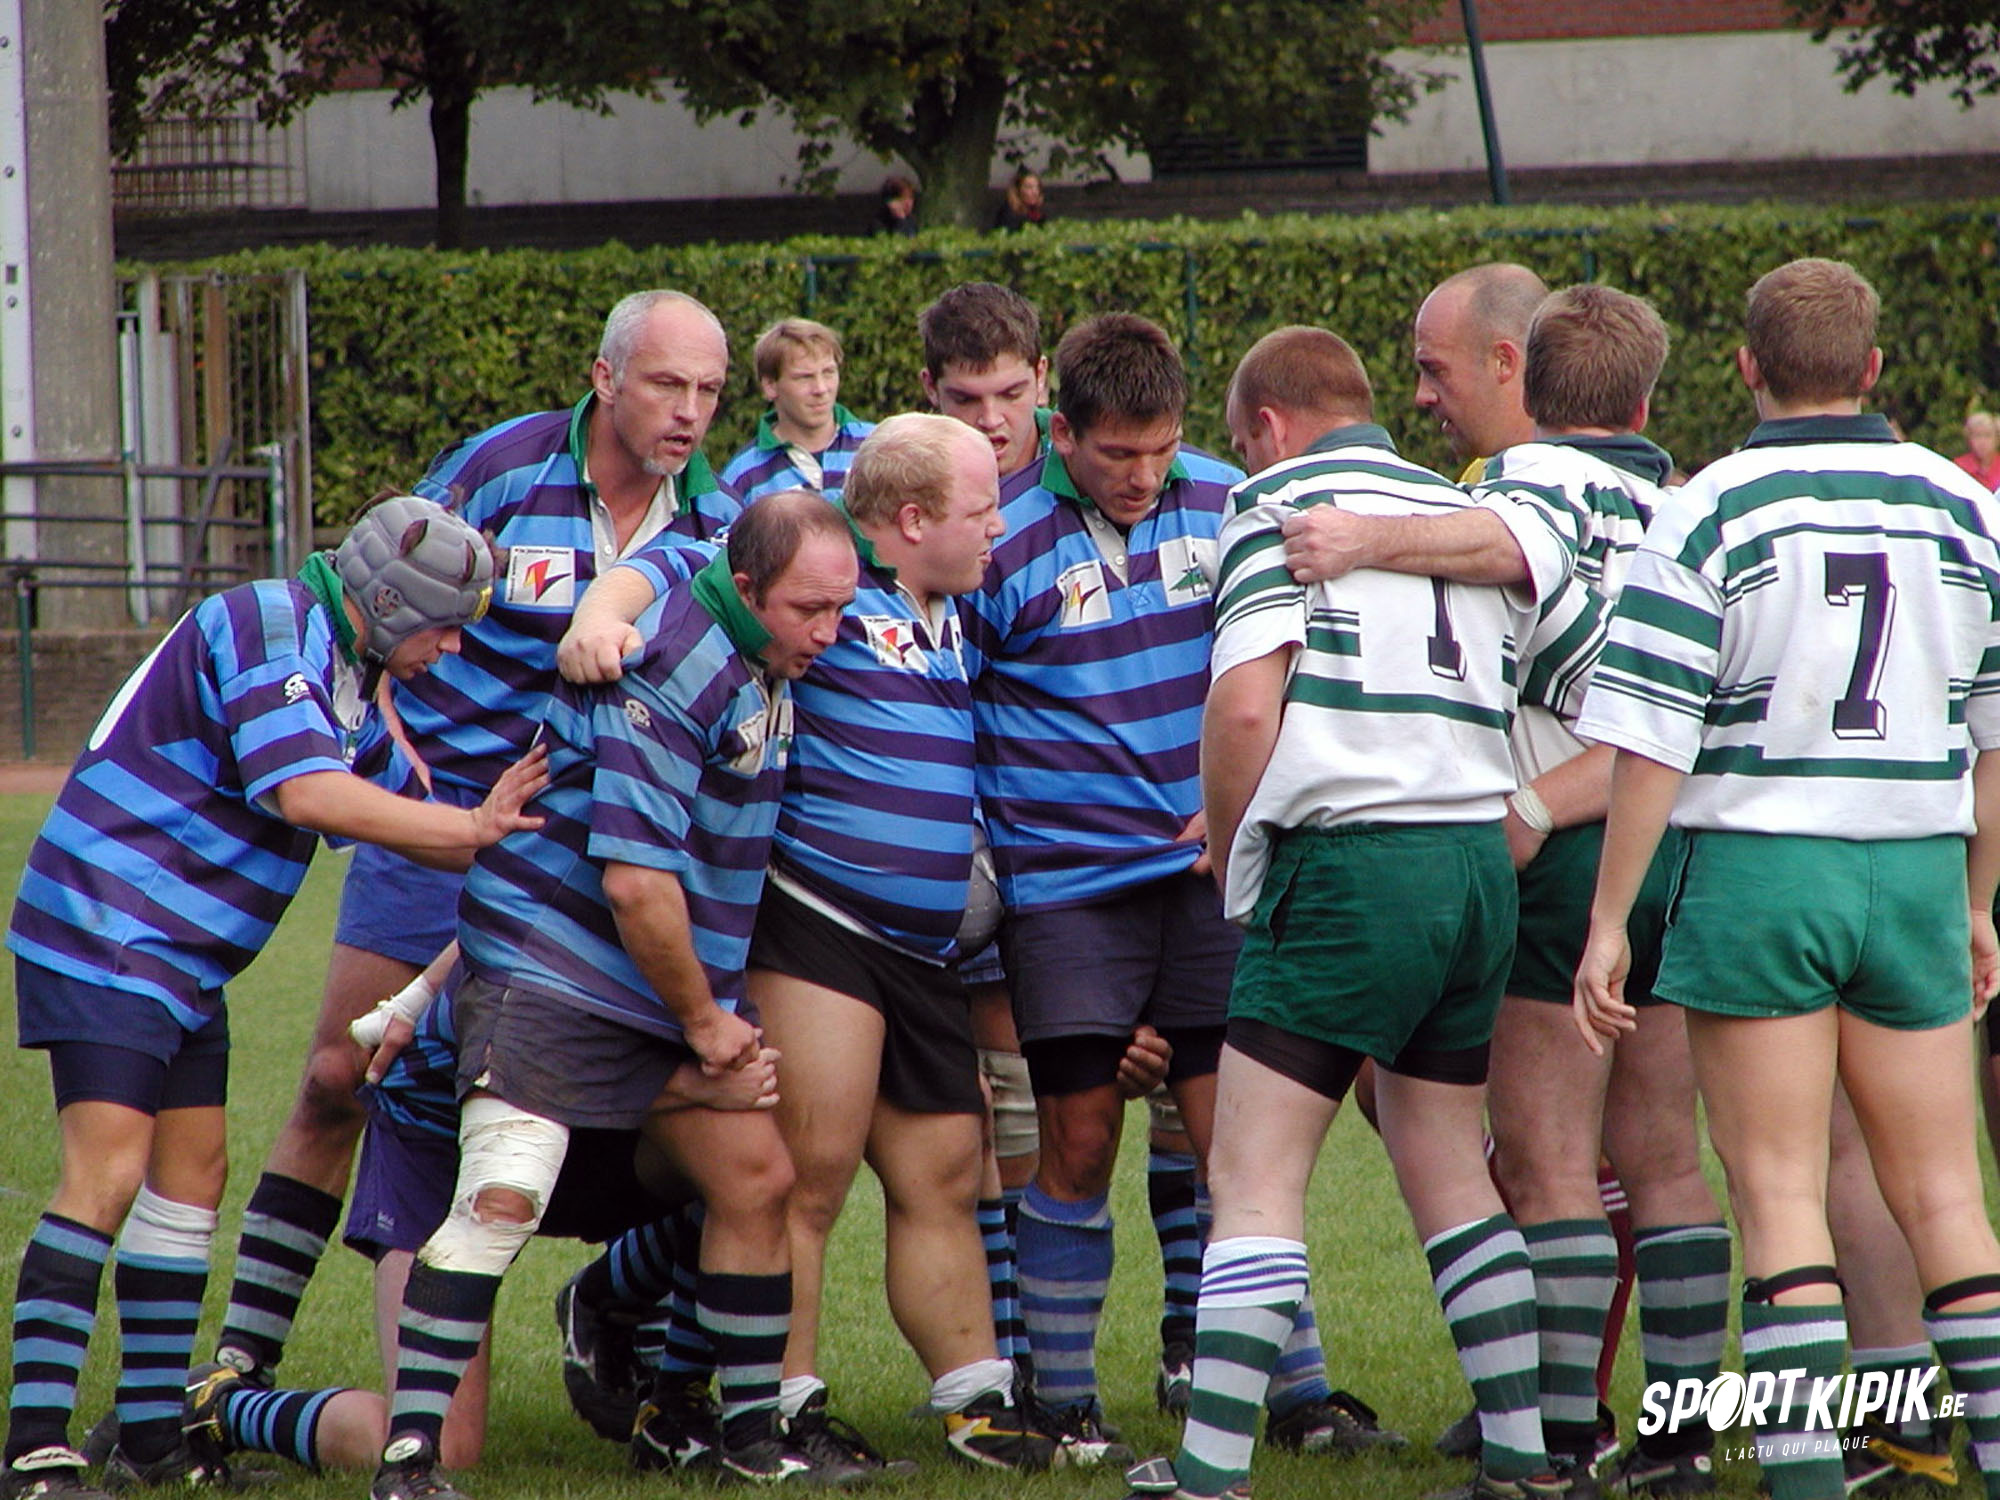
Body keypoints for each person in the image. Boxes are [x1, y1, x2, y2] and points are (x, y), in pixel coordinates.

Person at [210, 290, 740, 1401]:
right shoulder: (502, 468)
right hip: (439, 830)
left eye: (708, 390)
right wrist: (395, 760)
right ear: (604, 378)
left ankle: (632, 1340)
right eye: (666, 384)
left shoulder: (719, 517)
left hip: (584, 860)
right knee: (339, 1076)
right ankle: (236, 1368)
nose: (689, 412)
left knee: (649, 1103)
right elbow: (373, 591)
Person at [1266, 284, 1731, 1493]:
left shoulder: (1530, 481)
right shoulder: (1685, 503)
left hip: (1570, 851)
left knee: (1547, 1164)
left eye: (1434, 370)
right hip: (1684, 848)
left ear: (1522, 370)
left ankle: (1559, 1439)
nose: (1422, 395)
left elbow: (1507, 546)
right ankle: (1678, 1443)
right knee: (1664, 1159)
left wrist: (1358, 539)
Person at [1126, 323, 1601, 1500]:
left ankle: (1208, 1470)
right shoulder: (1463, 508)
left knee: (1251, 1175)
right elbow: (1576, 673)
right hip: (1474, 864)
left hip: (1349, 866)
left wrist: (1233, 845)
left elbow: (1245, 708)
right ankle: (1523, 1457)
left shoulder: (1272, 504)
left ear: (1267, 428)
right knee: (1449, 1167)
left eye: (1243, 446)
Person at [2, 500, 547, 1500]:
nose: (454, 648)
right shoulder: (268, 622)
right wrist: (474, 831)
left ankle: (151, 1440)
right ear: (390, 603)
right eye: (443, 626)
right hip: (110, 927)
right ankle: (34, 1449)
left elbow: (401, 804)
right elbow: (309, 793)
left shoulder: (344, 670)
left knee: (192, 1179)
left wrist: (514, 830)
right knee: (106, 1175)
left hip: (178, 955)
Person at [1573, 257, 2000, 1500]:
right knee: (1947, 1201)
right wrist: (1977, 902)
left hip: (1758, 870)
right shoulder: (1962, 504)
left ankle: (1804, 1478)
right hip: (1913, 873)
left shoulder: (1706, 508)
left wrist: (1608, 921)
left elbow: (1648, 741)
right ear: (1872, 367)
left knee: (1775, 1200)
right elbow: (1995, 740)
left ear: (1745, 366)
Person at [962, 312, 1394, 1458]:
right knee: (1077, 1139)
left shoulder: (1231, 503)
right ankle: (1063, 1404)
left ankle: (1294, 1396)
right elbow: (955, 709)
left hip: (1213, 879)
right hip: (1067, 891)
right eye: (1116, 454)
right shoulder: (997, 535)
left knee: (1238, 1144)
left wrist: (1247, 794)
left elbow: (1295, 657)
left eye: (1160, 450)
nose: (1143, 476)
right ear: (1060, 431)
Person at [366, 491, 856, 1500]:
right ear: (747, 587)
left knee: (757, 1176)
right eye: (811, 610)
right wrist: (706, 1024)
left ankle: (744, 1441)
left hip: (653, 988)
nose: (830, 632)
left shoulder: (742, 609)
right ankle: (406, 1463)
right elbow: (636, 885)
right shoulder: (671, 667)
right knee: (503, 1195)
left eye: (840, 608)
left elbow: (670, 550)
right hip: (556, 974)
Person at [722, 320, 875, 506]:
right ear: (770, 386)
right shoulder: (742, 476)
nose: (820, 389)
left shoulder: (878, 446)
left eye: (828, 372)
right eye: (804, 377)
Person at [1957, 410, 2000, 491]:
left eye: (1987, 435)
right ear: (1969, 439)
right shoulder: (1959, 467)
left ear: (1997, 439)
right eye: (1977, 435)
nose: (1982, 442)